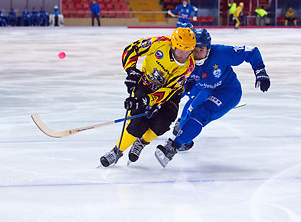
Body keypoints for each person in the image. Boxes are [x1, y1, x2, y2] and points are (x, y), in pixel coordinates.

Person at [155, 28, 271, 168]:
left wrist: (260, 71)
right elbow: (182, 84)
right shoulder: (186, 60)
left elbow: (251, 51)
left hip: (227, 91)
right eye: (194, 50)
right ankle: (185, 137)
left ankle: (173, 147)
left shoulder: (220, 53)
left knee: (200, 112)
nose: (197, 54)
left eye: (201, 50)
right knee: (186, 117)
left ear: (208, 48)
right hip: (205, 88)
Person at [100, 27, 196, 167]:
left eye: (187, 52)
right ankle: (116, 151)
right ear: (173, 45)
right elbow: (131, 49)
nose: (183, 55)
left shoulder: (189, 66)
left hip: (169, 95)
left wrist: (148, 101)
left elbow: (169, 90)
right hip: (145, 84)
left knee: (162, 123)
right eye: (181, 51)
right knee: (138, 122)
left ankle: (141, 142)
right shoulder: (159, 43)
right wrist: (131, 71)